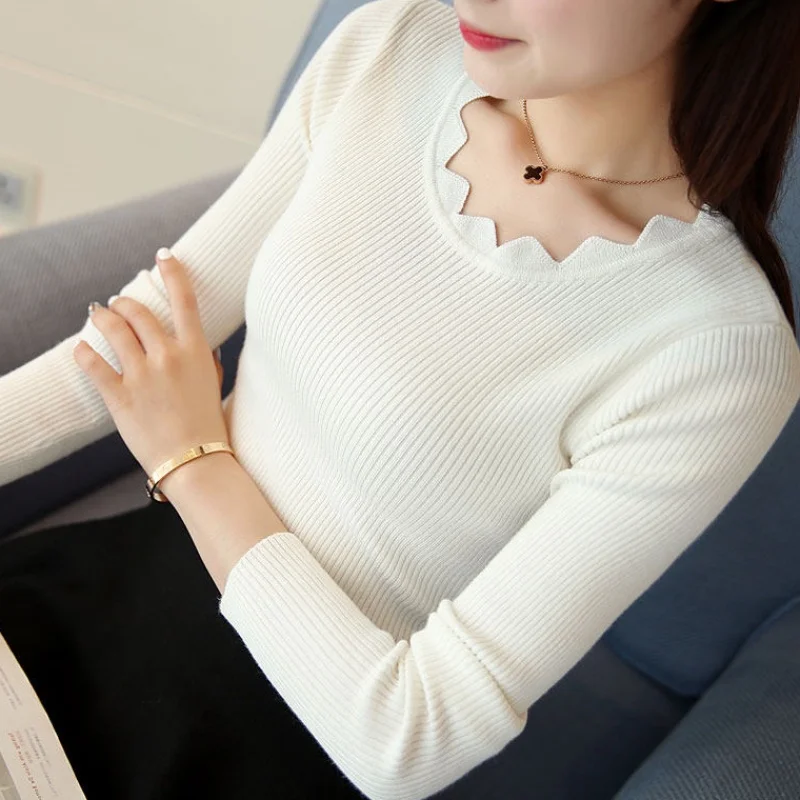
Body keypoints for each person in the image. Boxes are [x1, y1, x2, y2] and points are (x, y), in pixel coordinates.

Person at [1, 0, 799, 798]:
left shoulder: (719, 347)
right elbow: (135, 339)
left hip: (266, 734)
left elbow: (405, 744)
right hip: (95, 594)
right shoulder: (394, 48)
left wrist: (191, 461)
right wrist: (182, 452)